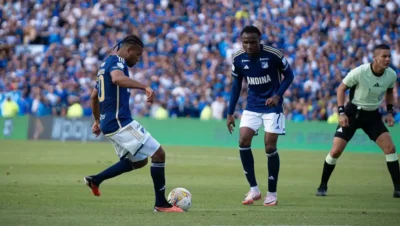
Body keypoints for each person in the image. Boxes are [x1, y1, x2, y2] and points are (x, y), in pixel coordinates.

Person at [84, 35, 184, 212]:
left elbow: (93, 96)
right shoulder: (118, 62)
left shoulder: (104, 65)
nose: (138, 59)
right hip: (119, 121)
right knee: (159, 154)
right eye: (137, 55)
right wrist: (144, 86)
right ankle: (161, 204)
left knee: (139, 162)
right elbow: (116, 79)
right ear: (128, 50)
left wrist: (98, 120)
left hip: (109, 123)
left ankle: (96, 180)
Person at [316, 44, 400, 198]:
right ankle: (322, 185)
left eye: (389, 56)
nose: (388, 59)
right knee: (335, 151)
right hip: (352, 113)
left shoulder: (391, 75)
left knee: (390, 149)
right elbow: (341, 89)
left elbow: (389, 91)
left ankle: (398, 189)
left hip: (372, 116)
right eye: (384, 56)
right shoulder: (360, 72)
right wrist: (341, 113)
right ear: (375, 58)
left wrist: (389, 112)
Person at [226, 26, 294, 206]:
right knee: (243, 141)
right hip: (252, 106)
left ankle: (272, 193)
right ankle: (254, 189)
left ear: (260, 40)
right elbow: (236, 86)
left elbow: (289, 76)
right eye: (245, 42)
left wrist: (278, 95)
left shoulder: (273, 55)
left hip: (273, 106)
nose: (249, 46)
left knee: (269, 147)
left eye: (252, 42)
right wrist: (230, 113)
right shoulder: (238, 59)